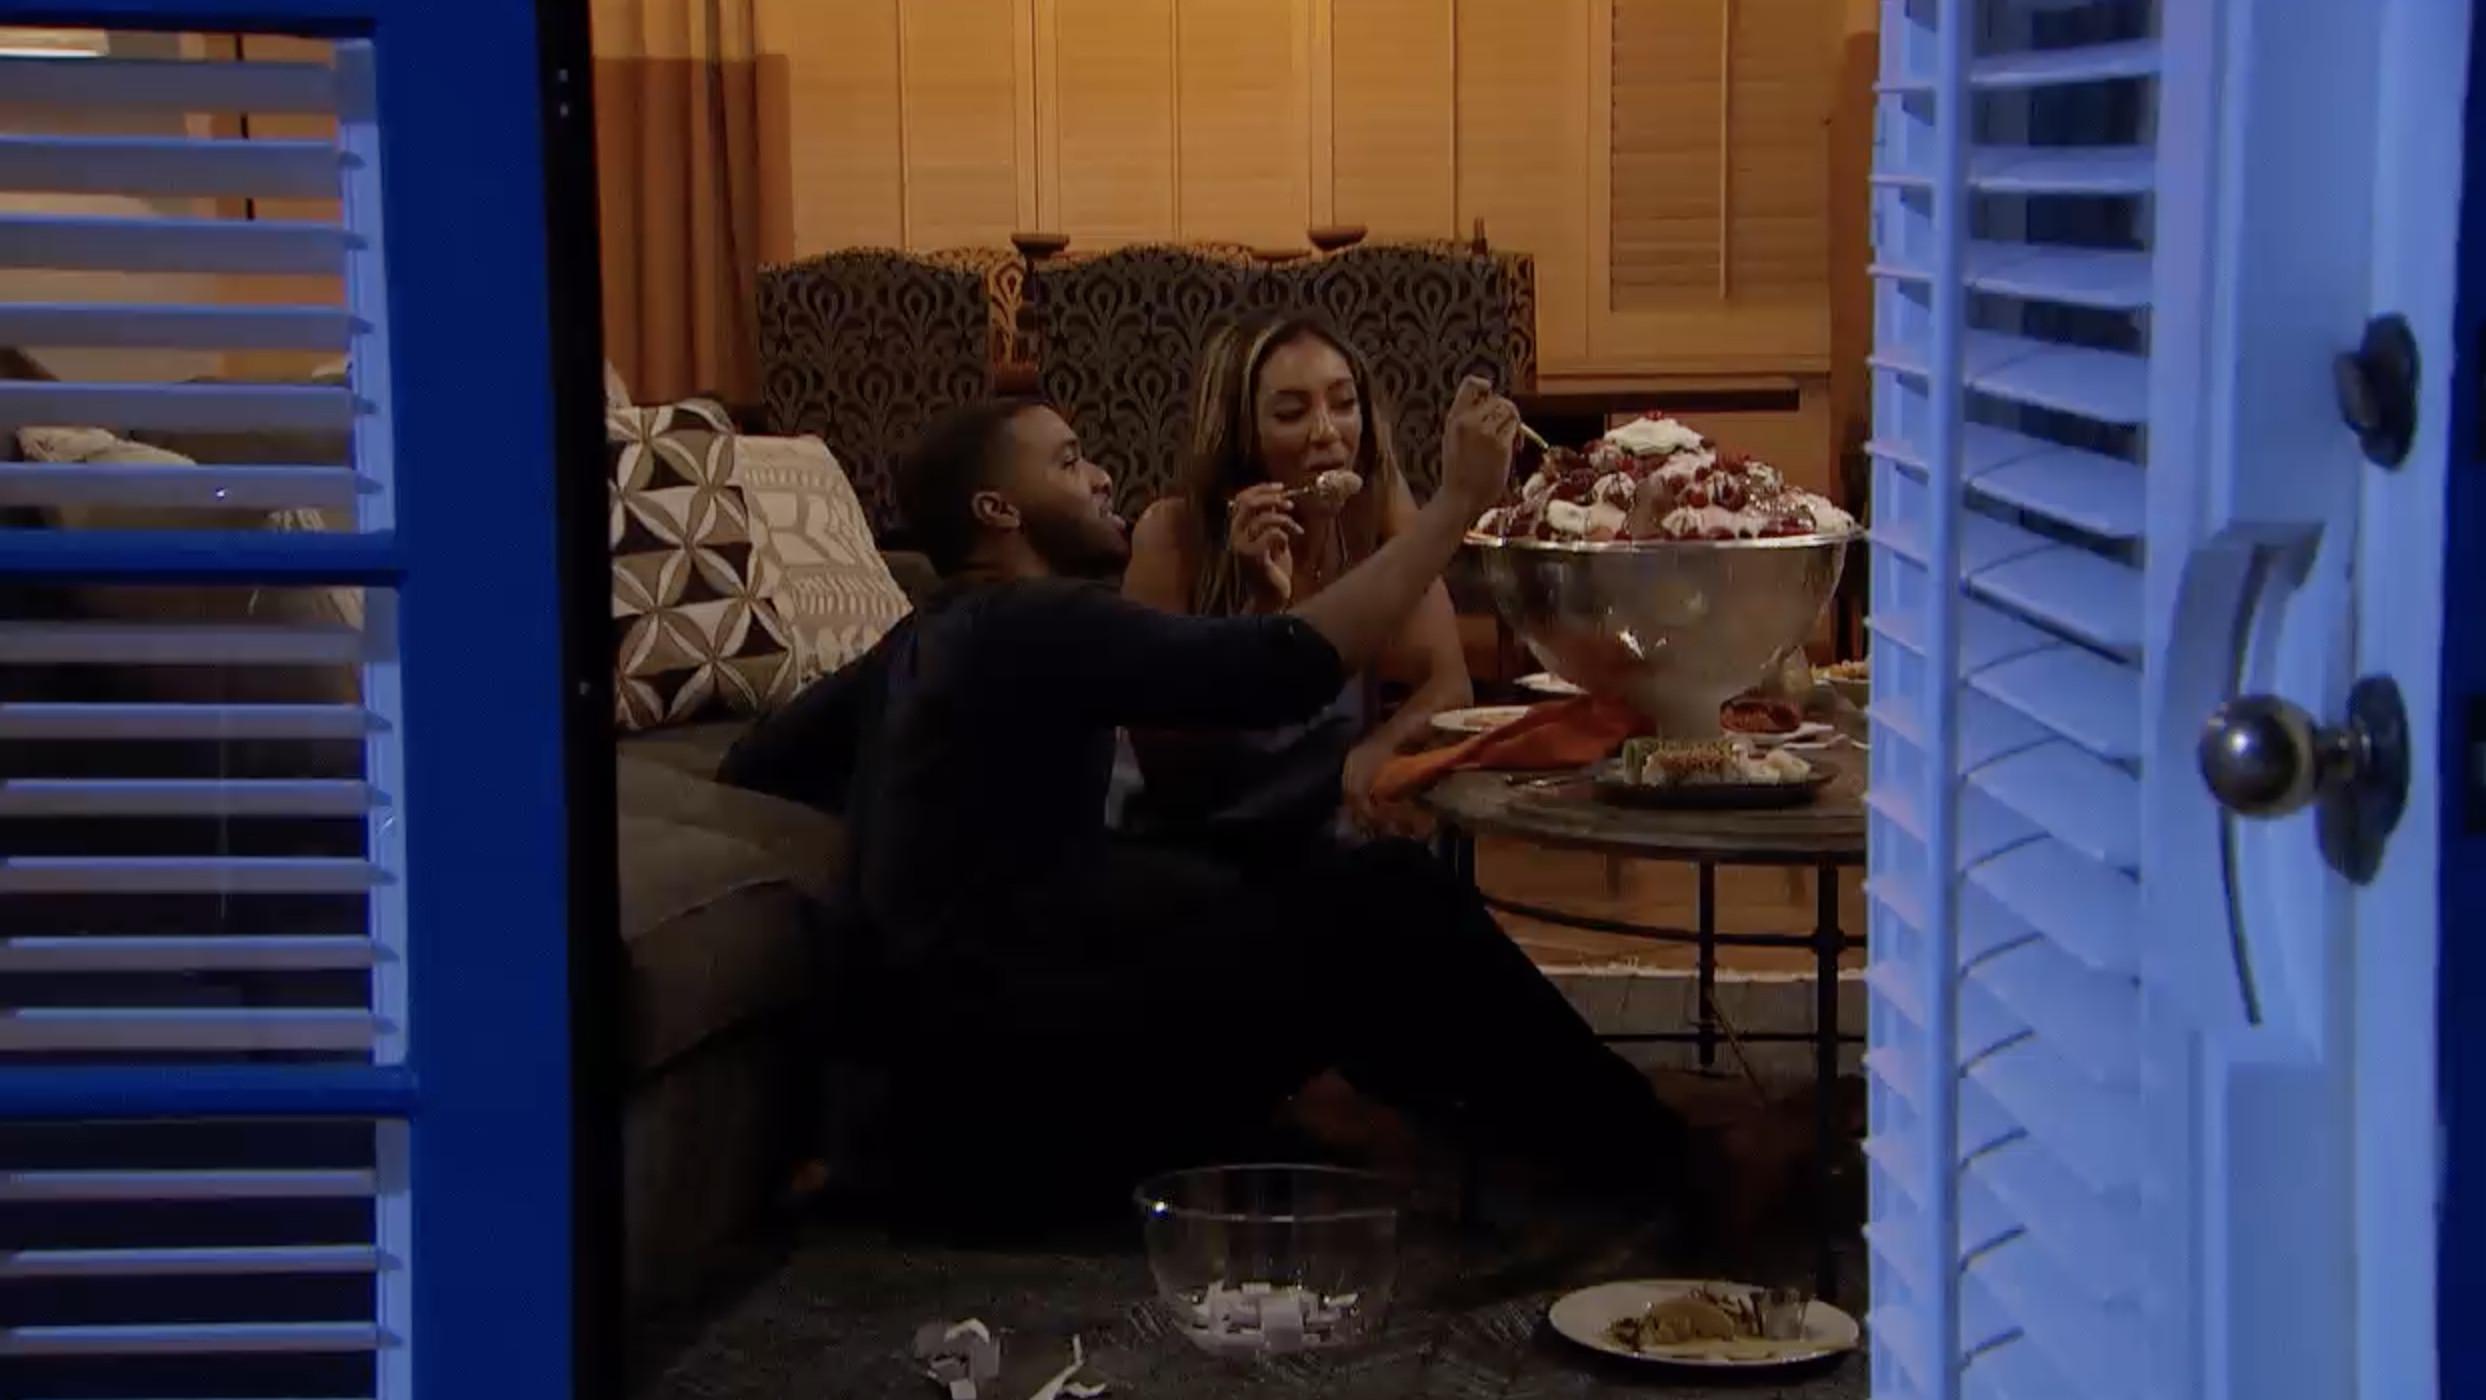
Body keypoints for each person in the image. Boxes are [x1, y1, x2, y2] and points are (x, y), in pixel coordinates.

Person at [719, 383, 1695, 1231]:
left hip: (918, 1122)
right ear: (996, 509)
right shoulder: (1038, 618)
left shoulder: (918, 642)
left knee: (1283, 883)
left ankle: (1502, 1126)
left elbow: (756, 760)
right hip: (1011, 1126)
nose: (1100, 475)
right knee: (1387, 898)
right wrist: (1454, 506)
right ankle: (1664, 1161)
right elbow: (1284, 671)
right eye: (1067, 461)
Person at [1120, 314, 1471, 858]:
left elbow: (1448, 683)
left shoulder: (1375, 511)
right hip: (1207, 840)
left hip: (1332, 829)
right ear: (1241, 439)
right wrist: (1257, 615)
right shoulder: (1172, 535)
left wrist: (1380, 748)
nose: (1327, 432)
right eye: (1291, 413)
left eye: (1344, 404)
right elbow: (1167, 763)